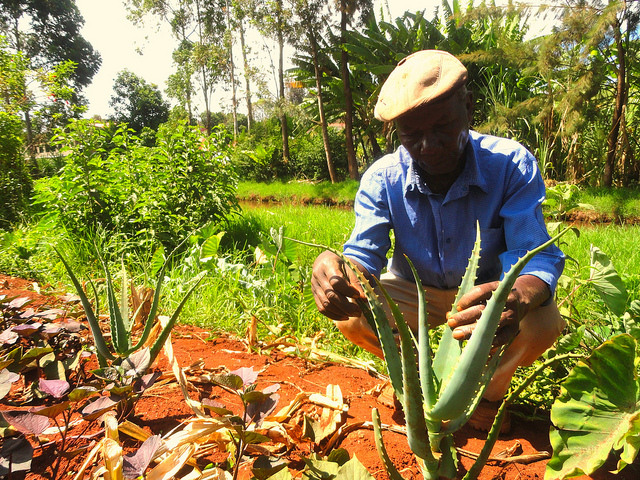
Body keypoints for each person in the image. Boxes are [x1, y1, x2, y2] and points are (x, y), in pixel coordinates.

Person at [311, 50, 566, 432]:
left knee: (543, 323)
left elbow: (536, 259)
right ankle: (413, 380)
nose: (428, 145)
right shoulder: (382, 178)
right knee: (353, 313)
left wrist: (520, 296)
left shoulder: (511, 164)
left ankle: (489, 394)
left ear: (468, 106)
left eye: (443, 127)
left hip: (486, 295)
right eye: (412, 134)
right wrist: (333, 268)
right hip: (413, 293)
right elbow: (363, 256)